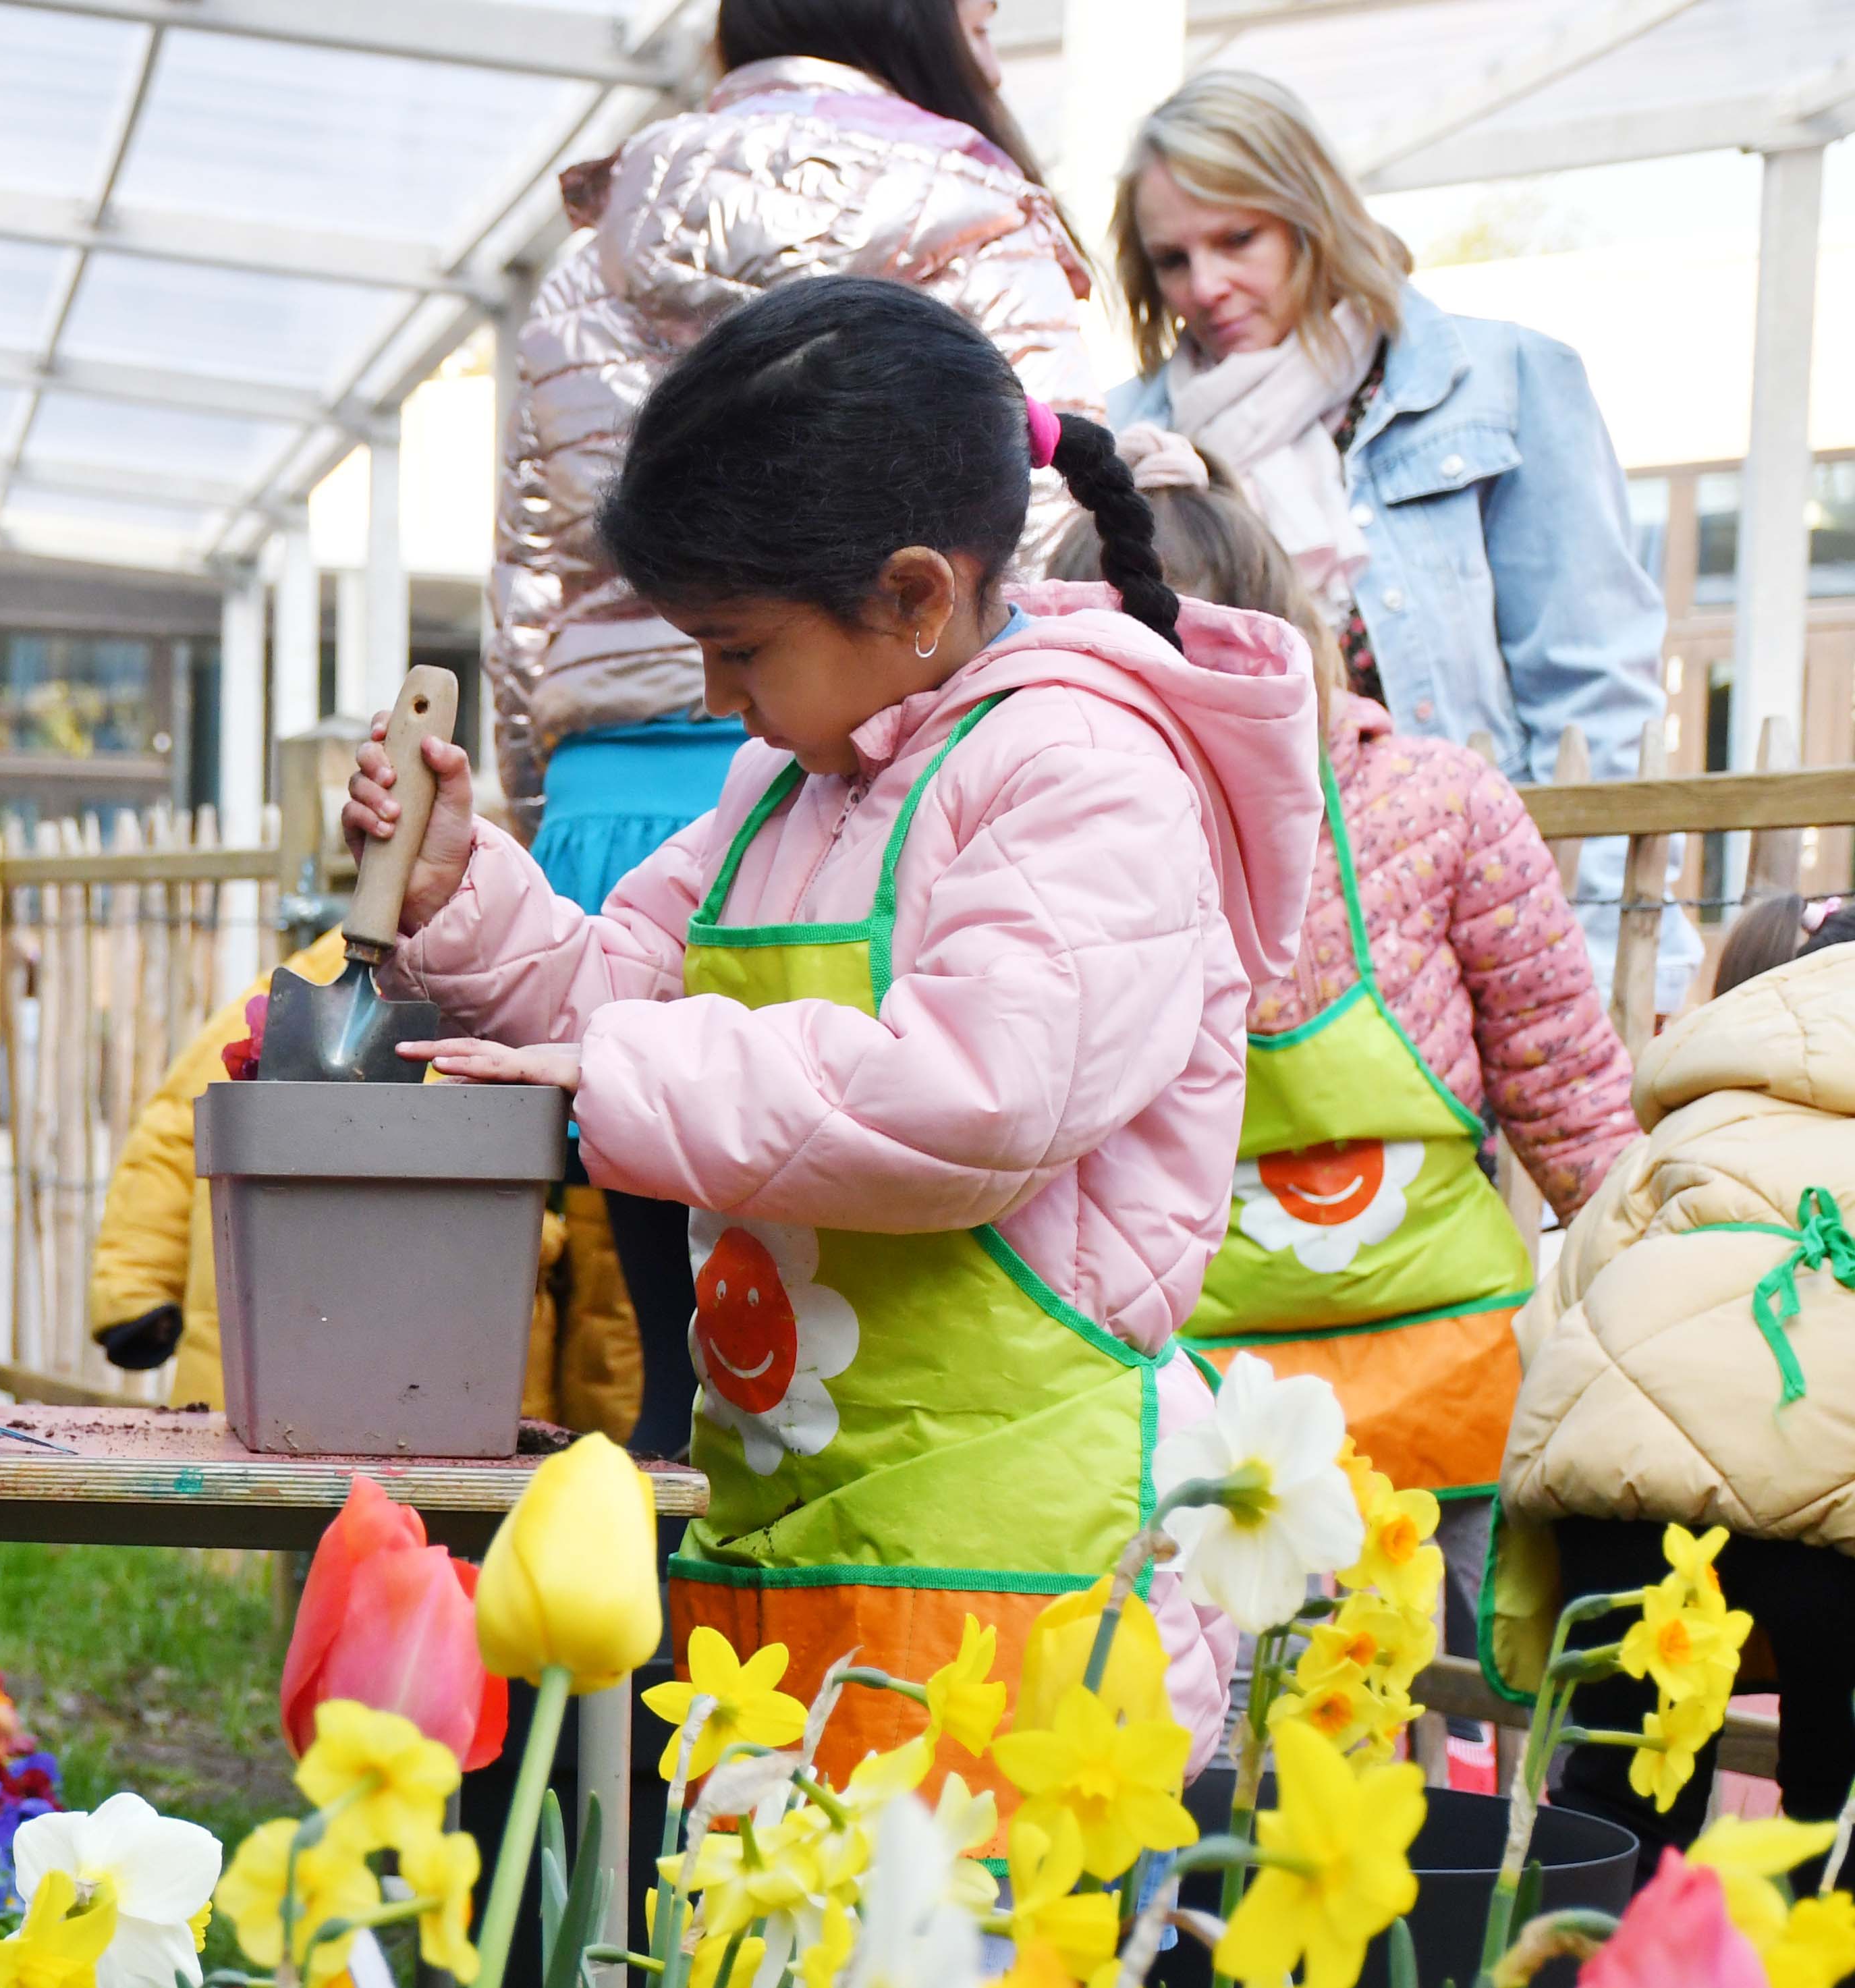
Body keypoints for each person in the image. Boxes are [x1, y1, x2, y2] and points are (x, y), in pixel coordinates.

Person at [350, 276, 1322, 1770]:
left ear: (919, 596)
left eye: (742, 647)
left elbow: (980, 1097)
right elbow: (619, 1001)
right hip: (786, 1526)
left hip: (1019, 1561)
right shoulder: (787, 790)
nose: (716, 692)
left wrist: (617, 1065)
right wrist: (461, 897)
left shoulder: (1082, 776)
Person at [489, 0, 1102, 1462]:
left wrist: (531, 789)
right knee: (709, 1389)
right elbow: (1048, 529)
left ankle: (621, 1660)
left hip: (613, 790)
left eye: (733, 649)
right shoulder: (985, 219)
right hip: (818, 765)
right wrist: (461, 890)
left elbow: (527, 581)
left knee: (644, 1362)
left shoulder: (590, 255)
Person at [1054, 449, 1640, 1653]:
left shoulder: (1429, 804)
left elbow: (1564, 1084)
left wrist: (1655, 1279)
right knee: (1237, 1698)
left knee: (1496, 1685)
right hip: (1202, 1384)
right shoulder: (1067, 837)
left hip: (1453, 1367)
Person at [1102, 71, 1684, 997]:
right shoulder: (1130, 440)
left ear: (1312, 214)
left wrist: (1596, 959)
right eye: (1173, 259)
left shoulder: (1501, 382)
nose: (1204, 286)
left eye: (1237, 239)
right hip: (1237, 945)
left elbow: (1593, 697)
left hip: (1477, 925)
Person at [1498, 901, 1855, 1851]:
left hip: (1628, 1479)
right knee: (1837, 1807)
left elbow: (1557, 1309)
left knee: (1619, 1784)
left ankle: (1572, 1983)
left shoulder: (1692, 1121)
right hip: (1836, 1496)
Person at [85, 928, 642, 1437]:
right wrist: (134, 1287)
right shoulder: (322, 987)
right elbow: (178, 1124)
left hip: (459, 1373)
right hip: (298, 1329)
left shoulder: (563, 996)